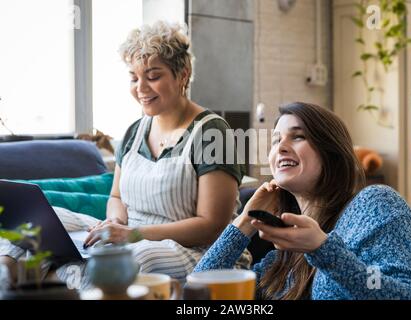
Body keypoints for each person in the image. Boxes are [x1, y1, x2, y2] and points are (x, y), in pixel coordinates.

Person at [0, 21, 249, 285]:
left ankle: (57, 279)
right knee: (37, 222)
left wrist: (133, 233)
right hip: (129, 236)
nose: (140, 88)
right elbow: (116, 196)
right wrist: (115, 222)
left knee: (130, 259)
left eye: (153, 76)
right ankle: (9, 276)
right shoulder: (133, 132)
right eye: (134, 77)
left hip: (194, 250)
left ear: (183, 74)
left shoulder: (212, 133)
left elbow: (212, 226)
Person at [193, 102, 411, 300]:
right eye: (276, 140)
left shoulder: (375, 205)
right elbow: (201, 291)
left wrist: (323, 250)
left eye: (298, 137)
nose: (281, 147)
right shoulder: (284, 256)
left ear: (331, 154)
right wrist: (245, 221)